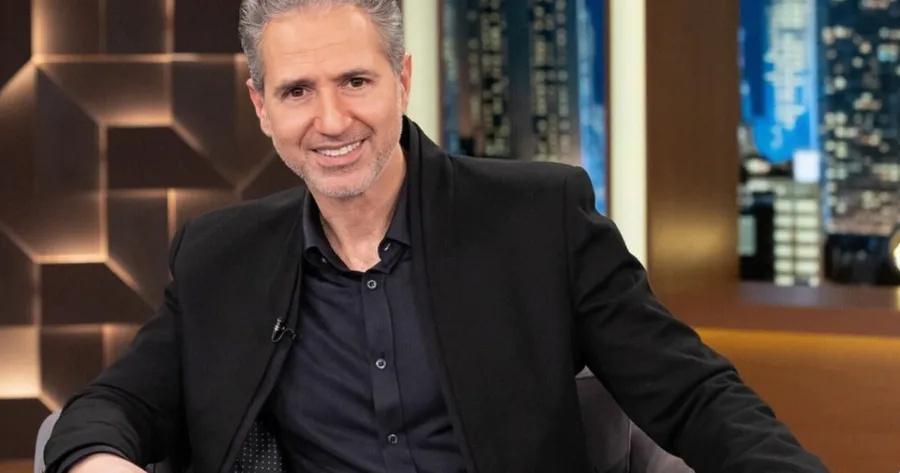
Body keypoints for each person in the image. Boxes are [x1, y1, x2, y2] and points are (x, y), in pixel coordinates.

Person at [44, 1, 828, 472]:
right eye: (297, 91)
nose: (331, 120)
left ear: (403, 79)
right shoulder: (220, 257)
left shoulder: (539, 218)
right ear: (261, 106)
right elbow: (112, 404)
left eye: (355, 81)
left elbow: (692, 394)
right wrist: (101, 460)